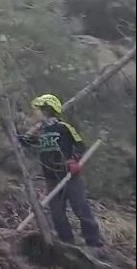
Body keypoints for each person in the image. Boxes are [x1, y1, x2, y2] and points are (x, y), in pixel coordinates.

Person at [19, 93, 103, 248]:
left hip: (70, 175)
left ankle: (93, 240)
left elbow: (80, 145)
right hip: (51, 177)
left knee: (80, 207)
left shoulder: (64, 127)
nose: (34, 113)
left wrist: (75, 160)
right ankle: (67, 242)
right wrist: (23, 140)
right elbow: (31, 143)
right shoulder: (40, 131)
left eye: (37, 110)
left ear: (46, 110)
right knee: (57, 212)